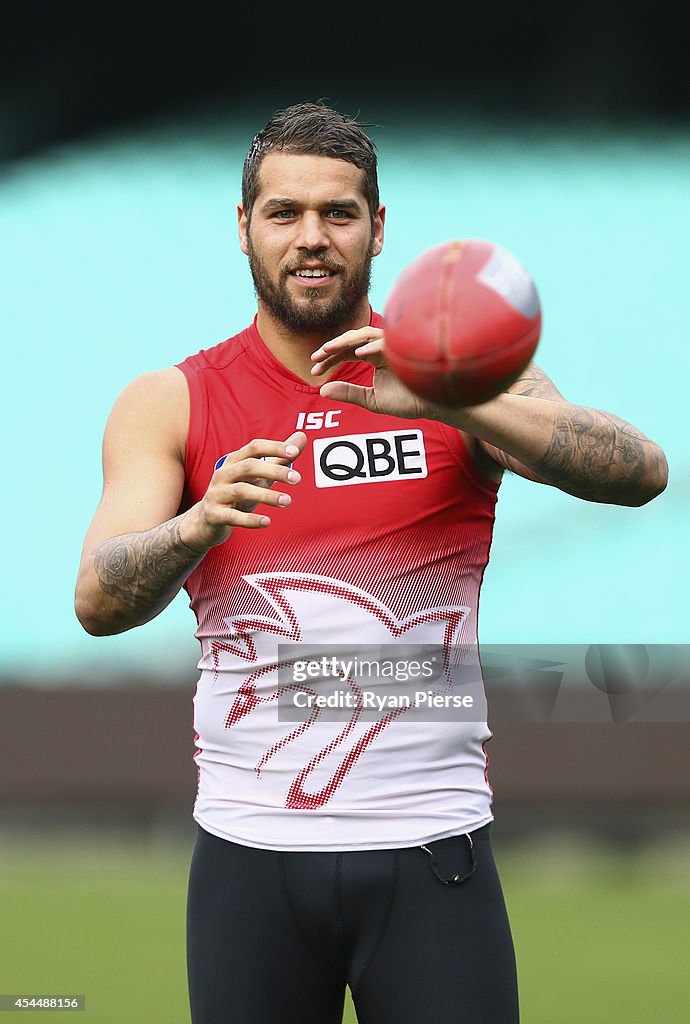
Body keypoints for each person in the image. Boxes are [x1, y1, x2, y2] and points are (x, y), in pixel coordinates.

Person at [74, 101, 668, 1024]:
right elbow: (98, 598)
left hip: (433, 852)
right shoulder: (173, 401)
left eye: (339, 214)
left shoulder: (467, 372)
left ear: (378, 228)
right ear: (244, 229)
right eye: (284, 214)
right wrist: (196, 526)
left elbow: (639, 473)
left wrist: (451, 398)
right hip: (248, 857)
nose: (312, 239)